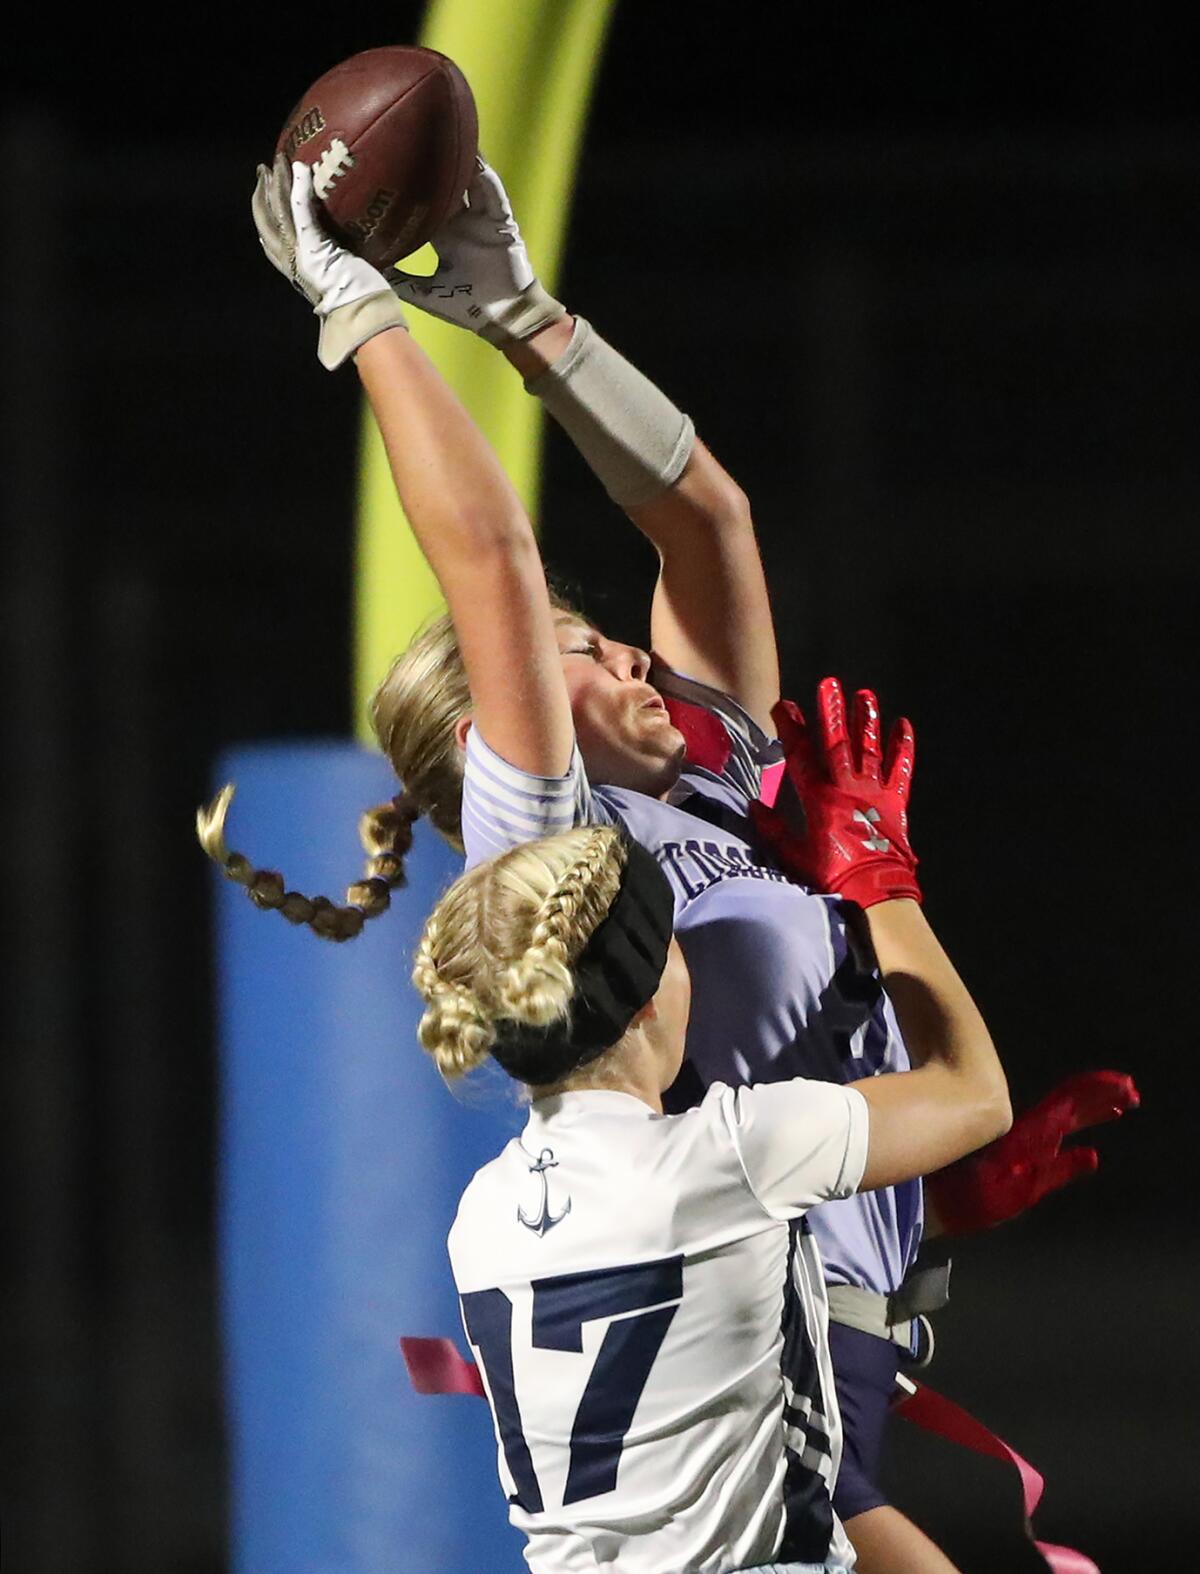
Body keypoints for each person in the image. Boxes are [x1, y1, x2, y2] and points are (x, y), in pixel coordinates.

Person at [205, 151, 1132, 1571]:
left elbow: (708, 517)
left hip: (838, 1340)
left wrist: (528, 317)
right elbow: (494, 569)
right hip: (771, 1365)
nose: (623, 647)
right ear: (488, 738)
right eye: (573, 654)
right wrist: (357, 313)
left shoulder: (718, 771)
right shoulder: (556, 851)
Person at [404, 814, 1010, 1573]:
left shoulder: (482, 1216)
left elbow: (689, 1311)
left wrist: (932, 1214)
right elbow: (976, 1095)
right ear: (650, 990)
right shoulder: (735, 1152)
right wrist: (882, 883)